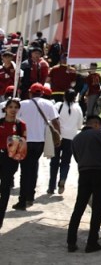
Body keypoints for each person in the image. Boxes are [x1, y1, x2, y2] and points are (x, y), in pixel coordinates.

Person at [66, 114, 101, 253]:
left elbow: (77, 158)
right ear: (96, 124)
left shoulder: (76, 139)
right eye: (100, 125)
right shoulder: (98, 134)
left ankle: (71, 242)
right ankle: (91, 243)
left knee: (79, 207)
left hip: (84, 174)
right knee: (97, 209)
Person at [14, 81, 59, 209]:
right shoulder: (48, 104)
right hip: (40, 142)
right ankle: (30, 197)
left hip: (25, 141)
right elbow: (56, 122)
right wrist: (58, 137)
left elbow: (14, 119)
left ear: (30, 92)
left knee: (25, 171)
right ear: (43, 93)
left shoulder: (22, 104)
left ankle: (23, 200)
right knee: (33, 168)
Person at [48, 88, 84, 195]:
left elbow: (52, 120)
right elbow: (79, 125)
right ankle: (62, 178)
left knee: (54, 161)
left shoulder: (58, 106)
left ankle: (51, 186)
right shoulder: (78, 108)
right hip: (71, 138)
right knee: (66, 162)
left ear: (64, 96)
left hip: (58, 137)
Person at [0, 98, 27, 231]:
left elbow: (24, 143)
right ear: (5, 109)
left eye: (16, 107)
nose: (13, 110)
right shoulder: (0, 122)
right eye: (10, 107)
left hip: (10, 160)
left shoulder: (21, 125)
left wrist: (17, 146)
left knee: (5, 189)